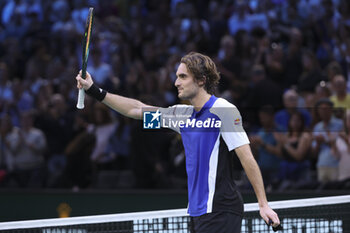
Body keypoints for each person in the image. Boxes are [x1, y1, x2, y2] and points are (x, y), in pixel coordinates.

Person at [76, 52, 280, 232]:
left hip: (221, 208)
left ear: (201, 80)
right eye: (176, 77)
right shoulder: (182, 116)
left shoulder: (223, 110)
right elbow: (136, 110)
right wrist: (94, 90)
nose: (176, 83)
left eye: (183, 76)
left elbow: (246, 157)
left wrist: (263, 204)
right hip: (196, 212)